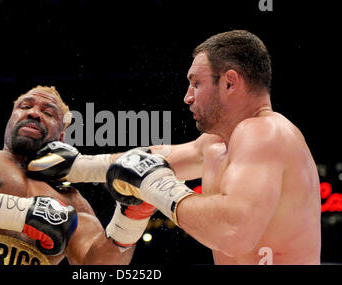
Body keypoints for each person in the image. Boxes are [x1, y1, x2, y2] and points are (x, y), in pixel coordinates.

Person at [32, 30, 321, 264]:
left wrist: (160, 188)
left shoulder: (264, 132)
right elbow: (149, 161)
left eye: (196, 83)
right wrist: (77, 166)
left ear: (230, 83)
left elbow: (234, 232)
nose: (187, 97)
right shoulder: (216, 145)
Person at [0, 85, 156, 265]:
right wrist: (22, 214)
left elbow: (100, 266)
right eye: (25, 106)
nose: (34, 113)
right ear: (11, 119)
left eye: (48, 112)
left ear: (61, 136)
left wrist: (131, 217)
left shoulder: (71, 201)